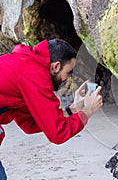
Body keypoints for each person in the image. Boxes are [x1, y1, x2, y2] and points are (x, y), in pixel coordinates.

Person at [0, 39, 103, 179]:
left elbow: (29, 124)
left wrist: (73, 109)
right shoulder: (35, 76)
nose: (67, 79)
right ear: (56, 66)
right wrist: (87, 112)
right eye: (68, 72)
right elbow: (57, 133)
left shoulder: (24, 64)